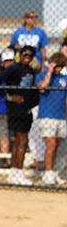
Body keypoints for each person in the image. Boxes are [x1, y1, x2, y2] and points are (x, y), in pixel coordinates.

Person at [0, 45, 39, 185]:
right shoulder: (14, 68)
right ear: (19, 55)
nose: (27, 58)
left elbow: (34, 91)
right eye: (25, 55)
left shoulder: (32, 70)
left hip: (26, 109)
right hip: (15, 108)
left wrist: (31, 103)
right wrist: (9, 97)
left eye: (30, 56)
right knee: (22, 140)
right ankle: (18, 171)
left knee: (19, 141)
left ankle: (14, 172)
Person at [35, 53, 67, 184]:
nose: (58, 69)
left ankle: (54, 172)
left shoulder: (64, 78)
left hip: (61, 116)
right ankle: (47, 172)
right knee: (51, 144)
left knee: (57, 146)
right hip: (47, 115)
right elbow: (42, 88)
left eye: (60, 66)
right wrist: (49, 71)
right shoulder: (41, 75)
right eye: (56, 66)